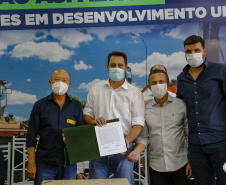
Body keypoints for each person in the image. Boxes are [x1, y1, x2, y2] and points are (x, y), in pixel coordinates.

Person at [83, 51, 145, 185]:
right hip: (98, 146)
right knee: (97, 183)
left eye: (120, 65)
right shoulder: (96, 89)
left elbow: (138, 125)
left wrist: (126, 141)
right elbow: (87, 114)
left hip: (124, 146)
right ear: (107, 67)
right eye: (113, 65)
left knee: (124, 183)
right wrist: (93, 121)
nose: (116, 68)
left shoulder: (135, 93)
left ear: (125, 67)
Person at [128, 69, 192, 185]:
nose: (158, 85)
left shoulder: (181, 105)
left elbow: (190, 134)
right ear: (150, 86)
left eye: (161, 81)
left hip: (181, 165)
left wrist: (191, 161)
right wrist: (136, 151)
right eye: (154, 83)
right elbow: (144, 137)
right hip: (157, 167)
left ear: (167, 83)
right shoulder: (146, 109)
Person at [177, 35, 226, 185]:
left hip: (221, 142)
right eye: (189, 51)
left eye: (196, 50)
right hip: (196, 145)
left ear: (204, 51)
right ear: (185, 53)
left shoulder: (220, 70)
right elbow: (181, 107)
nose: (193, 54)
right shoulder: (181, 78)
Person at [26, 69, 85, 185]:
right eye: (57, 80)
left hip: (69, 164)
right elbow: (31, 137)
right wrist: (31, 163)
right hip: (45, 164)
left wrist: (73, 140)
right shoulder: (39, 106)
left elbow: (82, 133)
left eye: (64, 80)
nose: (60, 83)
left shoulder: (76, 106)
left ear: (69, 85)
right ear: (50, 83)